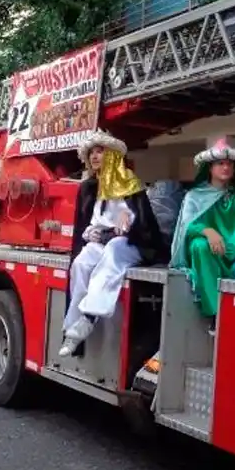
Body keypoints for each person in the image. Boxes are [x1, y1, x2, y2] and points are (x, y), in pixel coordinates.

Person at [60, 129, 165, 357]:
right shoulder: (89, 187)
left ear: (112, 155)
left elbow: (144, 223)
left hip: (129, 243)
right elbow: (87, 223)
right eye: (92, 153)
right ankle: (72, 328)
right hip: (101, 241)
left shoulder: (130, 182)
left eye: (100, 151)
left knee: (114, 251)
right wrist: (90, 233)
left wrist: (129, 219)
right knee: (81, 263)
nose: (94, 156)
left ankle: (89, 317)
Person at [170, 138, 235, 331]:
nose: (226, 167)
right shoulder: (195, 196)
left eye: (230, 164)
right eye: (220, 163)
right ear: (210, 168)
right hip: (212, 254)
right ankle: (216, 313)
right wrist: (208, 231)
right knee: (199, 245)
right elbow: (187, 225)